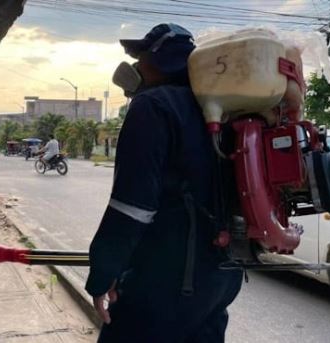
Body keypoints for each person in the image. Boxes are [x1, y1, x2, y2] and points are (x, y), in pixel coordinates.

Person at [85, 23, 243, 342]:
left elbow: (131, 206)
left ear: (156, 60)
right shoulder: (226, 111)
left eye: (139, 57)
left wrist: (103, 273)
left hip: (165, 280)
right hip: (222, 278)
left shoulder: (154, 105)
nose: (134, 66)